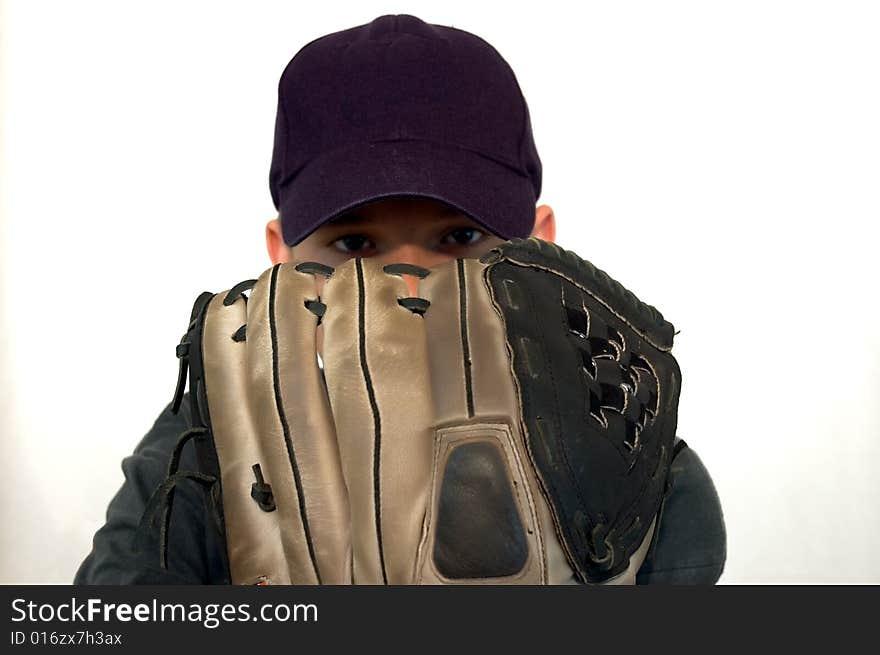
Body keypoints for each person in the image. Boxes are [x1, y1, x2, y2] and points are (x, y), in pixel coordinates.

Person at [74, 14, 726, 585]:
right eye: (355, 243)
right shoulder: (218, 429)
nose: (406, 278)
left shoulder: (624, 445)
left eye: (459, 235)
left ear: (541, 247)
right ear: (282, 255)